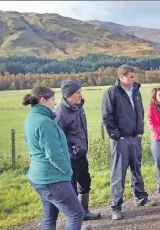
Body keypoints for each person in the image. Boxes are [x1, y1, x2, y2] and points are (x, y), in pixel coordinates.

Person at [23, 86, 86, 230]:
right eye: (52, 100)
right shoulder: (44, 123)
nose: (55, 103)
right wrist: (67, 171)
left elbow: (29, 142)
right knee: (76, 214)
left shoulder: (31, 118)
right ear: (42, 100)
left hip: (38, 177)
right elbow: (54, 153)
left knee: (49, 216)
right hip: (52, 179)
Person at [102, 64, 156, 221]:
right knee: (118, 174)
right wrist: (116, 136)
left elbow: (139, 111)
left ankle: (141, 197)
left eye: (134, 76)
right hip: (121, 140)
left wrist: (140, 132)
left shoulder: (136, 91)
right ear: (121, 77)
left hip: (135, 138)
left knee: (136, 169)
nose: (134, 79)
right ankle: (116, 207)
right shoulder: (111, 93)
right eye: (131, 77)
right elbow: (107, 117)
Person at [54, 80, 101, 221]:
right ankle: (75, 220)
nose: (81, 95)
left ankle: (84, 212)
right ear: (68, 95)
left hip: (81, 155)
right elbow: (57, 138)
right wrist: (71, 149)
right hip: (69, 157)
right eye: (78, 92)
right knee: (71, 188)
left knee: (85, 182)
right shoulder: (60, 113)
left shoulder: (78, 107)